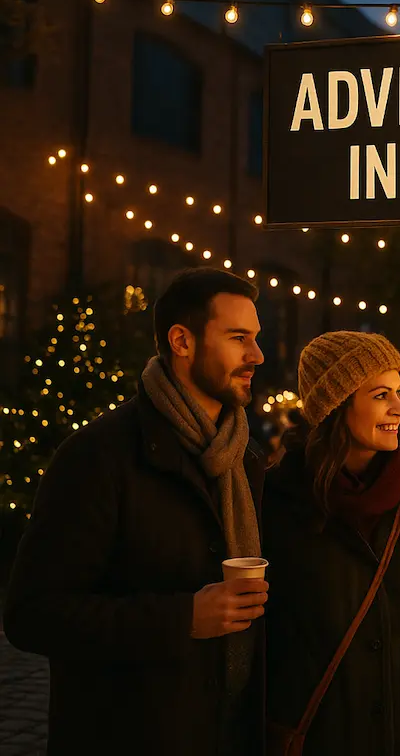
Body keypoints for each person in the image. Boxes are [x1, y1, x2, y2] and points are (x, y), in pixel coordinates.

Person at [4, 268, 268, 755]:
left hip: (228, 736)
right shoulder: (98, 456)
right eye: (238, 338)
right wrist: (182, 617)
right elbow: (31, 614)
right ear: (181, 341)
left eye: (256, 339)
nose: (257, 355)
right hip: (129, 733)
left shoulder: (244, 461)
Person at [262, 331, 400, 753]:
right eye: (381, 394)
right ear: (335, 403)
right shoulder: (279, 495)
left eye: (399, 392)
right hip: (325, 727)